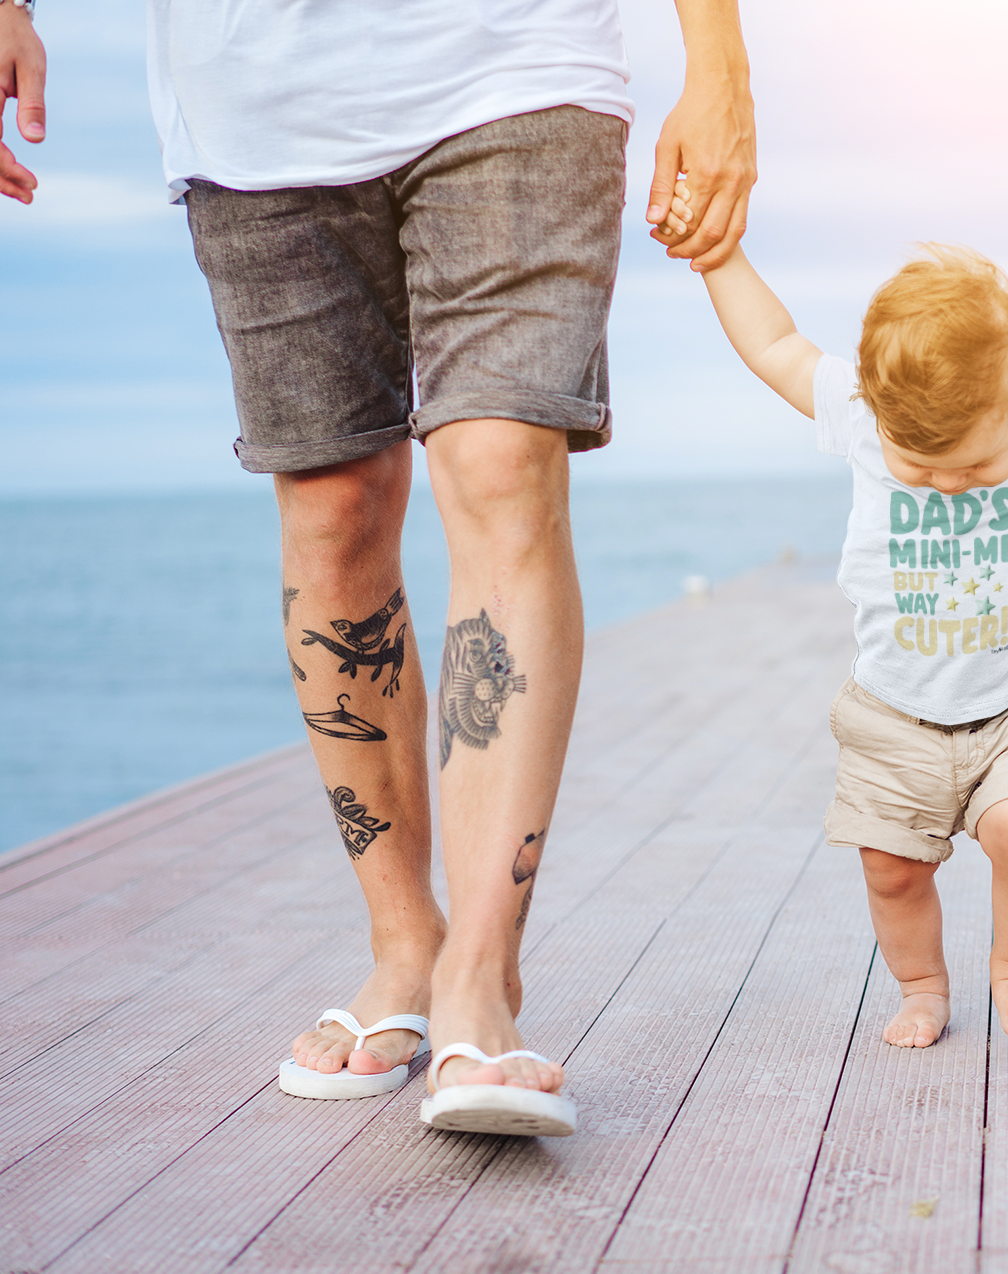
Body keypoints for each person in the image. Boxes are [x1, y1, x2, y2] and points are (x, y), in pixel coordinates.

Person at [0, 0, 756, 1134]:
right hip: (254, 102)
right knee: (334, 504)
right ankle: (407, 943)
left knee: (502, 464)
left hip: (517, 61)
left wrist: (718, 57)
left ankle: (481, 976)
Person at [682, 180, 1008, 1047]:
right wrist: (719, 257)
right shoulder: (862, 412)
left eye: (976, 467)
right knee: (892, 871)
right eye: (924, 471)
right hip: (891, 715)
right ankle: (922, 986)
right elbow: (773, 344)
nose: (950, 484)